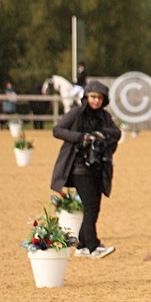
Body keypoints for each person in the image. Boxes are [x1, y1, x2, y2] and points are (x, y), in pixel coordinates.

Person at [50, 80, 121, 258]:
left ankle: (82, 244)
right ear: (86, 97)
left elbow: (117, 133)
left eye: (99, 98)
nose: (95, 101)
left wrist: (102, 135)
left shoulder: (105, 117)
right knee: (90, 206)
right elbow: (57, 130)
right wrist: (81, 137)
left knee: (94, 206)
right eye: (92, 97)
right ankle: (92, 246)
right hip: (78, 167)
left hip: (97, 167)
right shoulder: (76, 114)